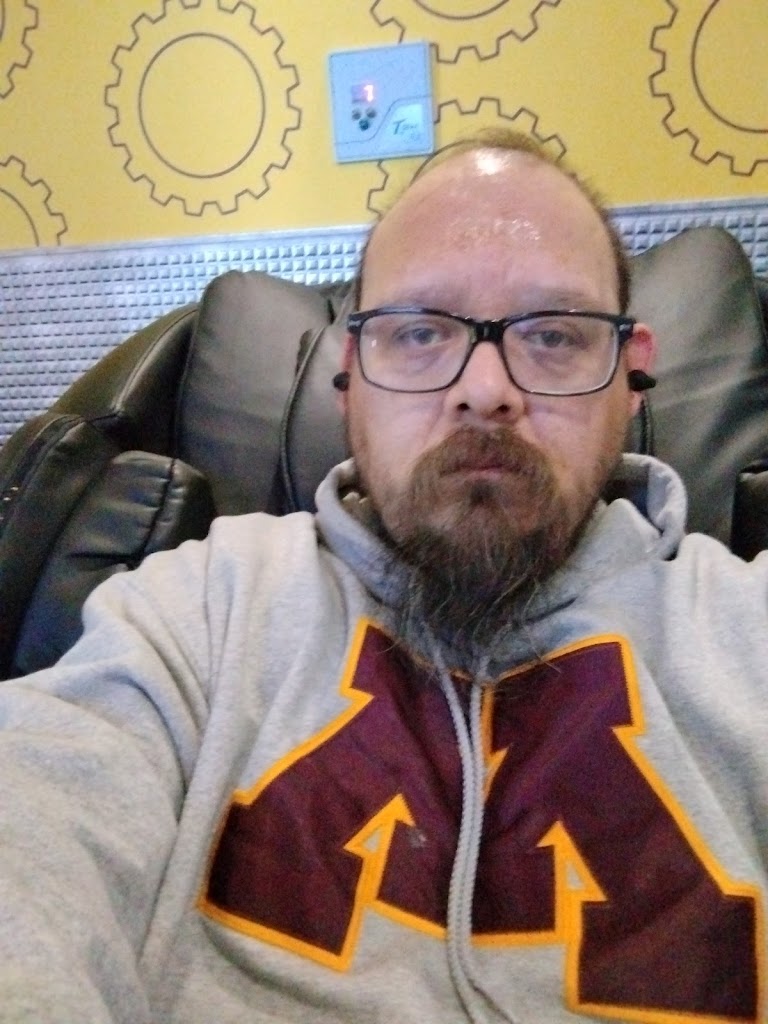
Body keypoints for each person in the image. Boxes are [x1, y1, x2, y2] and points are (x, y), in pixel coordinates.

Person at [0, 129, 765, 1024]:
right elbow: (36, 820)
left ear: (632, 376)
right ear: (349, 378)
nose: (486, 389)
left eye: (554, 334)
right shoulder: (199, 610)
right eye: (420, 333)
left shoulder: (747, 631)